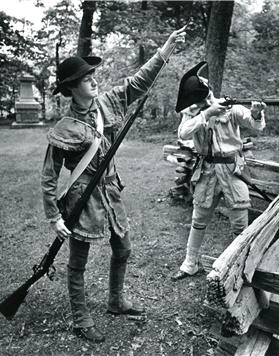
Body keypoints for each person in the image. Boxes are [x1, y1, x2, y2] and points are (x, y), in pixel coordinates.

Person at [41, 27, 186, 343]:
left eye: (92, 74)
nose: (93, 79)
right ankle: (81, 319)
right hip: (83, 198)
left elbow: (137, 83)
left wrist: (165, 50)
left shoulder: (107, 102)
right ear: (70, 88)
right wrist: (54, 216)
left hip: (111, 190)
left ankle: (115, 301)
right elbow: (49, 177)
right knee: (77, 262)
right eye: (85, 78)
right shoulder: (64, 129)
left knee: (124, 247)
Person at [171, 61, 267, 281]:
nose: (206, 101)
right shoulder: (192, 114)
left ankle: (239, 266)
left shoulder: (229, 108)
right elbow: (183, 134)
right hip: (207, 169)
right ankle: (190, 263)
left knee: (240, 221)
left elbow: (255, 125)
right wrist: (206, 114)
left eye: (206, 96)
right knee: (199, 217)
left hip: (233, 167)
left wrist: (256, 113)